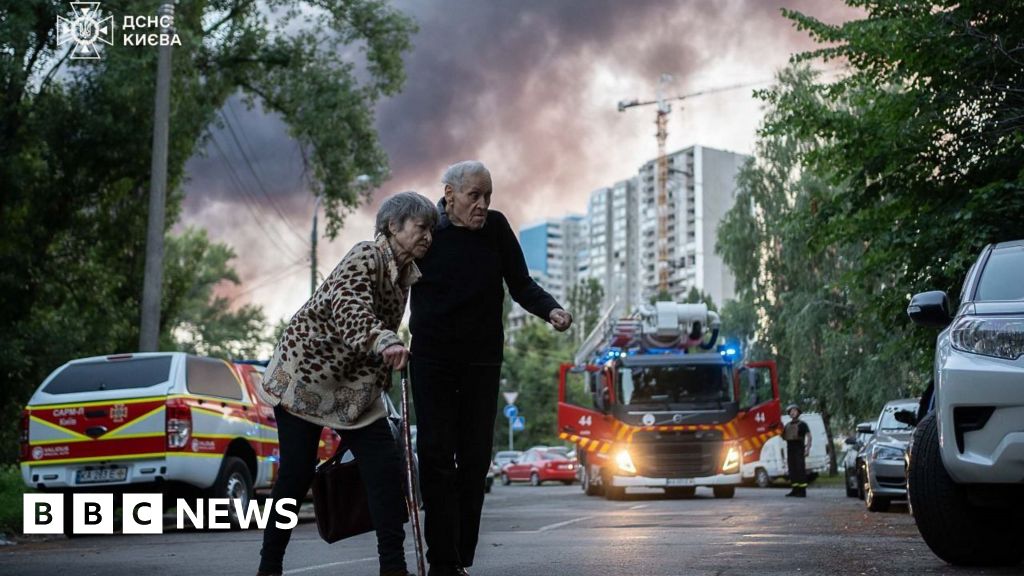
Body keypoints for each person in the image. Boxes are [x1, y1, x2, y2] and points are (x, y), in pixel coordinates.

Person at [255, 191, 437, 576]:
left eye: (431, 230)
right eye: (421, 227)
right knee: (295, 476)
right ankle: (269, 566)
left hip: (355, 388)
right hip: (306, 378)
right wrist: (384, 340)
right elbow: (349, 307)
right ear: (393, 226)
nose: (427, 237)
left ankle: (393, 568)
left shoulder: (405, 275)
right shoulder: (365, 255)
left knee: (386, 470)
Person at [409, 161, 572, 576]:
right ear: (449, 195)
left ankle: (460, 556)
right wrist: (383, 339)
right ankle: (442, 561)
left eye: (488, 196)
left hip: (481, 363)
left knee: (476, 460)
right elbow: (392, 276)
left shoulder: (496, 228)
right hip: (432, 362)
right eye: (474, 196)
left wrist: (551, 309)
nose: (482, 204)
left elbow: (521, 284)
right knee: (436, 458)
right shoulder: (426, 230)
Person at [783, 403, 812, 498]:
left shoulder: (803, 424)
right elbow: (783, 436)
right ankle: (795, 490)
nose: (792, 413)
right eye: (791, 411)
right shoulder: (787, 425)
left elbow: (809, 436)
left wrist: (807, 449)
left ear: (798, 412)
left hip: (799, 450)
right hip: (790, 450)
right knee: (792, 470)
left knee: (800, 470)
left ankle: (802, 491)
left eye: (794, 411)